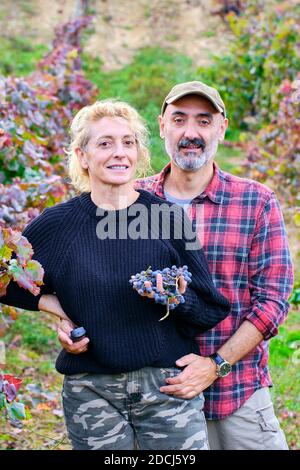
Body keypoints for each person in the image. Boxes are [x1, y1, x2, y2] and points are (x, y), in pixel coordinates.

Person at [59, 82, 294, 450]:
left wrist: (216, 364)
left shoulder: (256, 202)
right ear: (162, 126)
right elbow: (84, 275)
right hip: (149, 398)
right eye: (179, 119)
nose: (191, 133)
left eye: (204, 121)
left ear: (222, 128)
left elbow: (273, 302)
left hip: (234, 391)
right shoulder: (124, 197)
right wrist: (65, 320)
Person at [0, 99, 230, 450]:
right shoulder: (59, 224)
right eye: (105, 143)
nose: (119, 153)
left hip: (166, 388)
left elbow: (210, 308)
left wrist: (175, 297)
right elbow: (6, 278)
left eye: (128, 142)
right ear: (82, 155)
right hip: (92, 390)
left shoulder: (168, 219)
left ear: (138, 152)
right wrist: (56, 308)